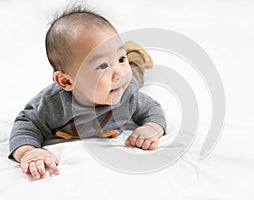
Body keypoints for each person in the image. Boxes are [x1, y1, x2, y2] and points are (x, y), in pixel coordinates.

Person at [9, 5, 166, 180]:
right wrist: (28, 152)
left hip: (132, 77)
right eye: (102, 66)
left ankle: (133, 53)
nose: (119, 73)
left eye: (121, 59)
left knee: (135, 71)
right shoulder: (53, 104)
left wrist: (151, 128)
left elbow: (152, 109)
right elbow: (26, 124)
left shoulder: (127, 92)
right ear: (66, 81)